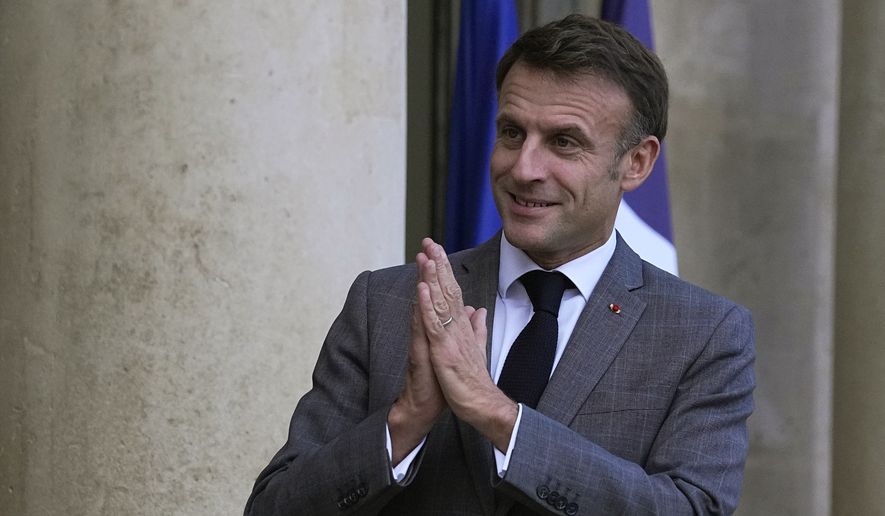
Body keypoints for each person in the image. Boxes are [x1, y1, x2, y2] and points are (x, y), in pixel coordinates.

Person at [245, 14, 755, 516]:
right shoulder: (387, 302)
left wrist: (499, 417)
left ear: (636, 162)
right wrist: (404, 421)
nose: (523, 168)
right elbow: (272, 508)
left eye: (563, 142)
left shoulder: (702, 333)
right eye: (512, 133)